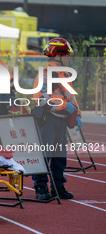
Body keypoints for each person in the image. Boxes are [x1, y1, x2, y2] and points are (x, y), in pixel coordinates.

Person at [32, 38, 82, 200]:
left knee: (59, 155)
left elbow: (71, 96)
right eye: (66, 55)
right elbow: (41, 98)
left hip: (61, 120)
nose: (68, 58)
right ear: (58, 55)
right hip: (48, 120)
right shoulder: (46, 73)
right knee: (44, 155)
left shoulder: (65, 74)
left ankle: (57, 186)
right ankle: (40, 187)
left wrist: (77, 114)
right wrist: (63, 107)